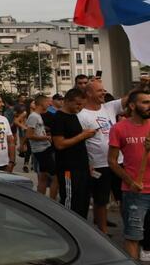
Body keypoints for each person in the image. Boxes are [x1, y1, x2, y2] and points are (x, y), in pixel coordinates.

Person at [108, 89, 150, 260]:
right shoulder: (119, 128)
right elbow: (111, 161)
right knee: (133, 236)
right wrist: (130, 181)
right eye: (145, 102)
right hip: (135, 193)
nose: (149, 106)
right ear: (132, 106)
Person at [78, 78, 121, 234]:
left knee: (123, 196)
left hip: (118, 162)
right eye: (99, 90)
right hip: (98, 164)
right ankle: (102, 231)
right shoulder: (81, 115)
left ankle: (130, 226)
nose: (104, 92)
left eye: (103, 90)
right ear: (88, 93)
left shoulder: (109, 107)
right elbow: (80, 143)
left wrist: (143, 85)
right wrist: (87, 164)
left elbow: (130, 100)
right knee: (101, 199)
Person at [51, 88, 99, 220]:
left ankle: (80, 228)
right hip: (68, 167)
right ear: (67, 101)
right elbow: (59, 144)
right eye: (77, 104)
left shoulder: (74, 116)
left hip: (81, 166)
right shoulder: (59, 118)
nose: (80, 108)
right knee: (70, 201)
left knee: (83, 200)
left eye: (82, 105)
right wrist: (82, 135)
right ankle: (67, 229)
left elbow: (76, 139)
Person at [27, 94, 56, 199]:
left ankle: (40, 200)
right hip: (42, 150)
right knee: (56, 177)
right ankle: (53, 201)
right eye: (48, 102)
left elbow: (38, 132)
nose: (49, 104)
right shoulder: (33, 116)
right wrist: (46, 138)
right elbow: (29, 135)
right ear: (42, 103)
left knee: (43, 176)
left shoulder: (38, 116)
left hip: (44, 148)